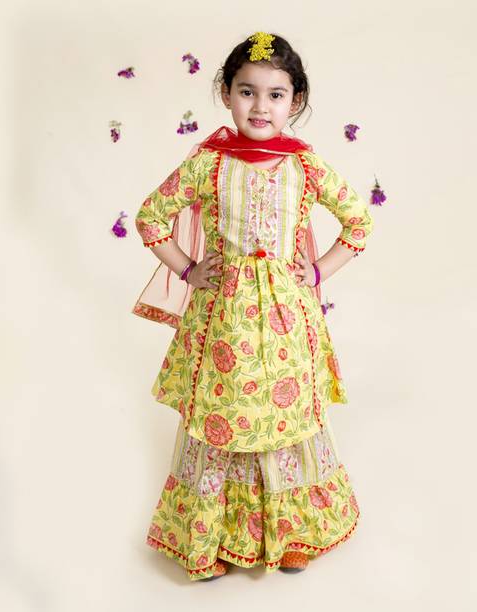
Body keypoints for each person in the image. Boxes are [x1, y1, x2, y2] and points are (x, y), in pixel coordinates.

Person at [134, 32, 374, 581]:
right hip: (223, 320)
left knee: (286, 416)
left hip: (288, 320)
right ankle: (212, 535)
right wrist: (189, 270)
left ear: (296, 101)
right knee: (222, 417)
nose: (260, 106)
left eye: (275, 95)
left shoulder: (305, 166)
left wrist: (318, 271)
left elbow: (359, 222)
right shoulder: (208, 164)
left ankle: (291, 533)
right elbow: (151, 218)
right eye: (247, 92)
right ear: (226, 94)